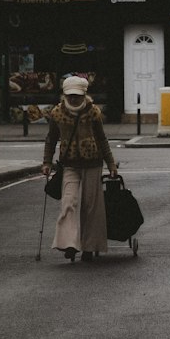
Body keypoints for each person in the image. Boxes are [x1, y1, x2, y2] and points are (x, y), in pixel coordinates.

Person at [41, 74, 117, 262]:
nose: (73, 98)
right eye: (70, 95)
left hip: (93, 163)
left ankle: (90, 247)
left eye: (77, 95)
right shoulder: (57, 113)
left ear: (84, 94)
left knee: (91, 206)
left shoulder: (93, 113)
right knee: (69, 202)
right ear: (64, 95)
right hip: (70, 164)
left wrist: (111, 163)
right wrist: (47, 162)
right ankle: (70, 243)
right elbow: (51, 139)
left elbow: (102, 139)